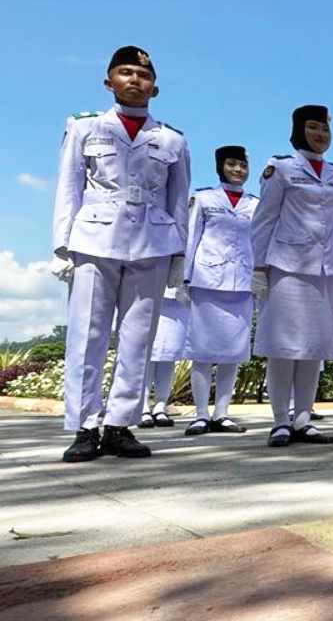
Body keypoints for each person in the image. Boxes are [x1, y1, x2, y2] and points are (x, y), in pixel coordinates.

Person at [53, 46, 191, 462]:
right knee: (86, 336)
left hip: (152, 242)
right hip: (94, 240)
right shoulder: (85, 128)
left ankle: (119, 426)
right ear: (108, 82)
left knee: (137, 338)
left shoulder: (172, 139)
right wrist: (62, 247)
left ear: (156, 87)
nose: (135, 80)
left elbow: (178, 199)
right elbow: (68, 189)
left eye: (143, 76)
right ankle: (85, 425)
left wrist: (178, 258)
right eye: (126, 73)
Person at [252, 105, 333, 447]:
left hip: (327, 268)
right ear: (298, 129)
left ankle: (304, 419)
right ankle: (280, 420)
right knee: (284, 347)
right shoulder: (280, 168)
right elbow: (264, 219)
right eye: (313, 128)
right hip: (288, 264)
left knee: (314, 347)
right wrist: (257, 267)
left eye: (324, 129)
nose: (320, 134)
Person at [181, 146, 258, 435]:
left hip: (242, 283)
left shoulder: (255, 204)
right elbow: (192, 238)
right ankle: (201, 414)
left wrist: (260, 278)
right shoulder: (203, 198)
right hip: (207, 280)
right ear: (220, 167)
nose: (238, 169)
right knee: (201, 351)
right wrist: (184, 279)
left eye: (242, 164)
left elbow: (260, 242)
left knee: (233, 352)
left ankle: (222, 413)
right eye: (232, 164)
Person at [140, 285, 188, 428]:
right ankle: (142, 406)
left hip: (178, 295)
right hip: (149, 291)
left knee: (169, 353)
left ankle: (161, 405)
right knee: (148, 353)